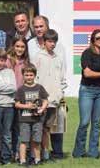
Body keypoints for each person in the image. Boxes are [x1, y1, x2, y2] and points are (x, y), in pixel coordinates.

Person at [72, 29, 100, 158]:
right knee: (84, 122)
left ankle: (93, 152)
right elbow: (87, 73)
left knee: (96, 123)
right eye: (98, 38)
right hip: (87, 90)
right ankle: (79, 151)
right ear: (93, 40)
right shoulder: (87, 53)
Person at [31, 29, 67, 160]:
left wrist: (60, 93)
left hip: (55, 99)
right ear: (44, 42)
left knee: (53, 127)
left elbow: (62, 78)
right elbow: (34, 78)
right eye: (50, 41)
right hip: (42, 100)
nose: (52, 44)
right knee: (40, 128)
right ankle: (40, 153)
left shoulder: (58, 58)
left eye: (54, 42)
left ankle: (53, 152)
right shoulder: (38, 57)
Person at [15, 65, 49, 166]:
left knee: (37, 140)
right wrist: (27, 106)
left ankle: (37, 159)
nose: (29, 77)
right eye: (26, 75)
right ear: (23, 76)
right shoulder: (21, 89)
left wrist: (42, 108)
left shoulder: (39, 87)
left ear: (35, 75)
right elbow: (16, 104)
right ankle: (22, 160)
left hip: (37, 120)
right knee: (24, 140)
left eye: (31, 75)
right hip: (24, 119)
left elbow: (46, 100)